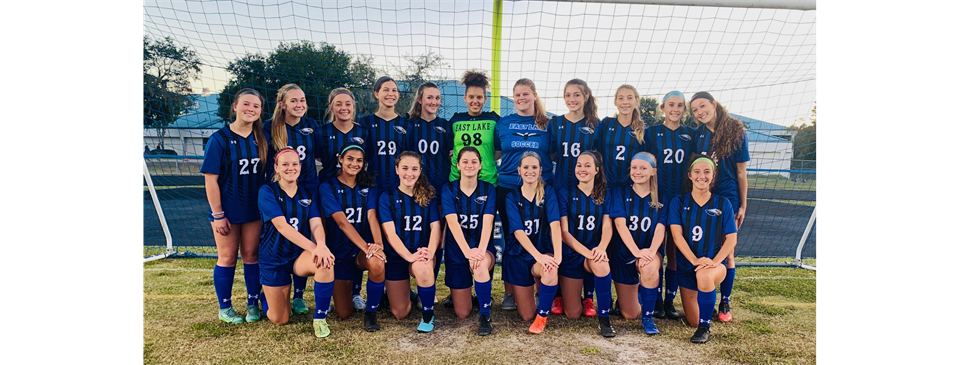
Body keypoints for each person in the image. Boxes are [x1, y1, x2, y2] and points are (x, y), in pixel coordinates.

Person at [201, 88, 269, 324]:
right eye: (246, 104)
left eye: (256, 106)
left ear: (260, 111)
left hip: (253, 210)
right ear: (235, 107)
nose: (251, 109)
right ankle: (225, 307)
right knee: (228, 257)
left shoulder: (262, 138)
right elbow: (210, 179)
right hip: (227, 210)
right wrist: (218, 214)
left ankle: (252, 303)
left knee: (251, 255)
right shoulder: (219, 139)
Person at [257, 148, 336, 338]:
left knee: (325, 263)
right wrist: (314, 247)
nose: (290, 168)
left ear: (300, 167)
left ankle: (320, 318)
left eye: (294, 164)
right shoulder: (267, 191)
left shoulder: (307, 193)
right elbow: (282, 227)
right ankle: (265, 296)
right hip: (273, 257)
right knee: (280, 319)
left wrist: (321, 246)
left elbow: (316, 223)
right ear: (276, 168)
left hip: (298, 256)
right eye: (285, 164)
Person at [263, 83, 324, 315]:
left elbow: (320, 154)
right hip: (281, 191)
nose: (299, 105)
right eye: (293, 101)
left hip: (308, 190)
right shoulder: (269, 128)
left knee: (305, 237)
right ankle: (266, 291)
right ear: (282, 104)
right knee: (276, 239)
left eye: (302, 100)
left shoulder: (311, 126)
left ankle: (298, 296)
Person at [690, 91, 749, 323]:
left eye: (702, 106)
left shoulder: (736, 131)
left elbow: (741, 172)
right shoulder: (700, 134)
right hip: (705, 195)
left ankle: (725, 301)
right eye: (694, 110)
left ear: (714, 104)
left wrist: (743, 204)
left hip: (729, 196)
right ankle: (702, 291)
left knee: (728, 249)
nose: (699, 112)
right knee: (704, 243)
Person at [494, 78, 552, 312]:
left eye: (526, 94)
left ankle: (539, 288)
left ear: (535, 95)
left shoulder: (548, 124)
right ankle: (509, 292)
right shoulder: (504, 123)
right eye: (517, 95)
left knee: (541, 235)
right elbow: (496, 152)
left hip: (540, 188)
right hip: (508, 186)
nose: (521, 98)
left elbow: (554, 155)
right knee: (512, 238)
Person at [317, 144, 388, 332]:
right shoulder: (328, 186)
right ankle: (341, 294)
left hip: (358, 252)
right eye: (349, 158)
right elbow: (342, 223)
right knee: (344, 313)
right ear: (340, 159)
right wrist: (366, 247)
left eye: (359, 160)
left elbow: (372, 216)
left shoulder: (368, 187)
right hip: (338, 252)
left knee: (377, 261)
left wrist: (378, 245)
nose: (354, 163)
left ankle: (371, 312)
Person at [669, 154, 738, 343]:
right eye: (697, 172)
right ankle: (705, 306)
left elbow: (731, 239)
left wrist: (713, 262)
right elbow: (676, 236)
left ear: (713, 176)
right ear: (690, 175)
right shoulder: (678, 202)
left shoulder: (724, 203)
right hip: (688, 266)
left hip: (714, 265)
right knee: (692, 319)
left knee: (705, 276)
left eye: (707, 172)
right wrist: (694, 260)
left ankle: (704, 328)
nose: (702, 176)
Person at [547, 78, 602, 316]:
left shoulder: (596, 124)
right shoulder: (556, 123)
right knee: (560, 236)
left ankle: (588, 297)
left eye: (576, 95)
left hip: (588, 188)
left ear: (586, 96)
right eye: (567, 95)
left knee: (588, 235)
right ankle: (558, 294)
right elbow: (550, 152)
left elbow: (598, 156)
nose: (572, 99)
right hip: (562, 186)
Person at [318, 87, 372, 311]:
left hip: (355, 187)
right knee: (332, 238)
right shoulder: (321, 131)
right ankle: (327, 292)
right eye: (338, 104)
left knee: (358, 230)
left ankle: (356, 292)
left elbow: (365, 160)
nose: (344, 108)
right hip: (330, 189)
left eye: (348, 104)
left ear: (353, 107)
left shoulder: (363, 131)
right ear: (331, 107)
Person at [645, 90, 696, 320]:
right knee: (655, 248)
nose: (676, 109)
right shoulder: (651, 133)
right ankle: (654, 299)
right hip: (657, 197)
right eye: (671, 105)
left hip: (682, 199)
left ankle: (669, 302)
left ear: (685, 110)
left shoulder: (691, 133)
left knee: (675, 250)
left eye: (680, 105)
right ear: (663, 107)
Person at [378, 151, 441, 333]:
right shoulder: (387, 197)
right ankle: (411, 294)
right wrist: (408, 256)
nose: (409, 173)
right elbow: (390, 234)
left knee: (422, 267)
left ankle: (428, 315)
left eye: (414, 169)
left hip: (421, 252)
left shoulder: (428, 196)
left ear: (420, 171)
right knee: (400, 312)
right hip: (398, 256)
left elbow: (436, 228)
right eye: (405, 168)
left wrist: (429, 253)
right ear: (397, 170)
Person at [501, 152, 562, 334]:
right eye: (526, 167)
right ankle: (534, 297)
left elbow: (555, 225)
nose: (530, 171)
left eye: (534, 167)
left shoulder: (548, 192)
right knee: (526, 314)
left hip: (542, 251)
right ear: (519, 170)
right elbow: (518, 232)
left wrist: (556, 256)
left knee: (551, 268)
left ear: (541, 170)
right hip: (518, 254)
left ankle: (542, 317)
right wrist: (539, 256)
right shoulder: (511, 196)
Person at [557, 151, 616, 337]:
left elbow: (607, 226)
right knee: (573, 314)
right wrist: (586, 252)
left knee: (602, 264)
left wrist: (601, 248)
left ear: (597, 170)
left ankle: (604, 319)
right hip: (571, 253)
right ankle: (570, 296)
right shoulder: (565, 193)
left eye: (587, 165)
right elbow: (564, 232)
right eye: (579, 165)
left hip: (593, 251)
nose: (582, 169)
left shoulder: (605, 194)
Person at [440, 147, 497, 335]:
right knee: (462, 313)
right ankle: (471, 294)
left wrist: (479, 252)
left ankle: (485, 316)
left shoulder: (489, 189)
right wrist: (467, 252)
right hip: (457, 250)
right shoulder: (448, 189)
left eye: (474, 161)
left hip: (481, 246)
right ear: (457, 165)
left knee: (480, 265)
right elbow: (453, 223)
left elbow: (488, 223)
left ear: (481, 165)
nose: (469, 165)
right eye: (465, 161)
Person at [609, 152, 667, 335]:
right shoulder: (620, 192)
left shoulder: (662, 197)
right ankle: (636, 298)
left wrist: (650, 251)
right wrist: (636, 251)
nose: (637, 171)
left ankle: (648, 317)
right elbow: (620, 224)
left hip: (650, 251)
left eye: (643, 168)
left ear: (653, 171)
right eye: (634, 167)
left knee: (650, 268)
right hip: (624, 253)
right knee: (629, 314)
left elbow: (660, 228)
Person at [406, 82, 452, 305]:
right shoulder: (409, 125)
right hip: (414, 189)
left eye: (437, 98)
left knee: (438, 236)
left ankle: (429, 284)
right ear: (420, 100)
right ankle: (404, 286)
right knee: (410, 232)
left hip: (440, 190)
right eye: (429, 98)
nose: (433, 102)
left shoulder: (445, 125)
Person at [449, 70, 500, 186]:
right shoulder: (455, 120)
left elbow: (499, 151)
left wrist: (486, 159)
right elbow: (448, 147)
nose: (475, 101)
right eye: (471, 97)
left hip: (487, 179)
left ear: (485, 99)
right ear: (465, 98)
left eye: (479, 97)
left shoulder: (493, 119)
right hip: (458, 178)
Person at [360, 76, 410, 190]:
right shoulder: (365, 122)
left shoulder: (406, 125)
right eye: (386, 90)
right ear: (377, 94)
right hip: (372, 183)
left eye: (394, 90)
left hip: (399, 184)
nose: (391, 94)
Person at [600, 84, 648, 190]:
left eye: (629, 98)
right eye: (621, 98)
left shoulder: (643, 130)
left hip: (631, 185)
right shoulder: (606, 123)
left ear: (636, 101)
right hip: (606, 184)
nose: (625, 102)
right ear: (615, 102)